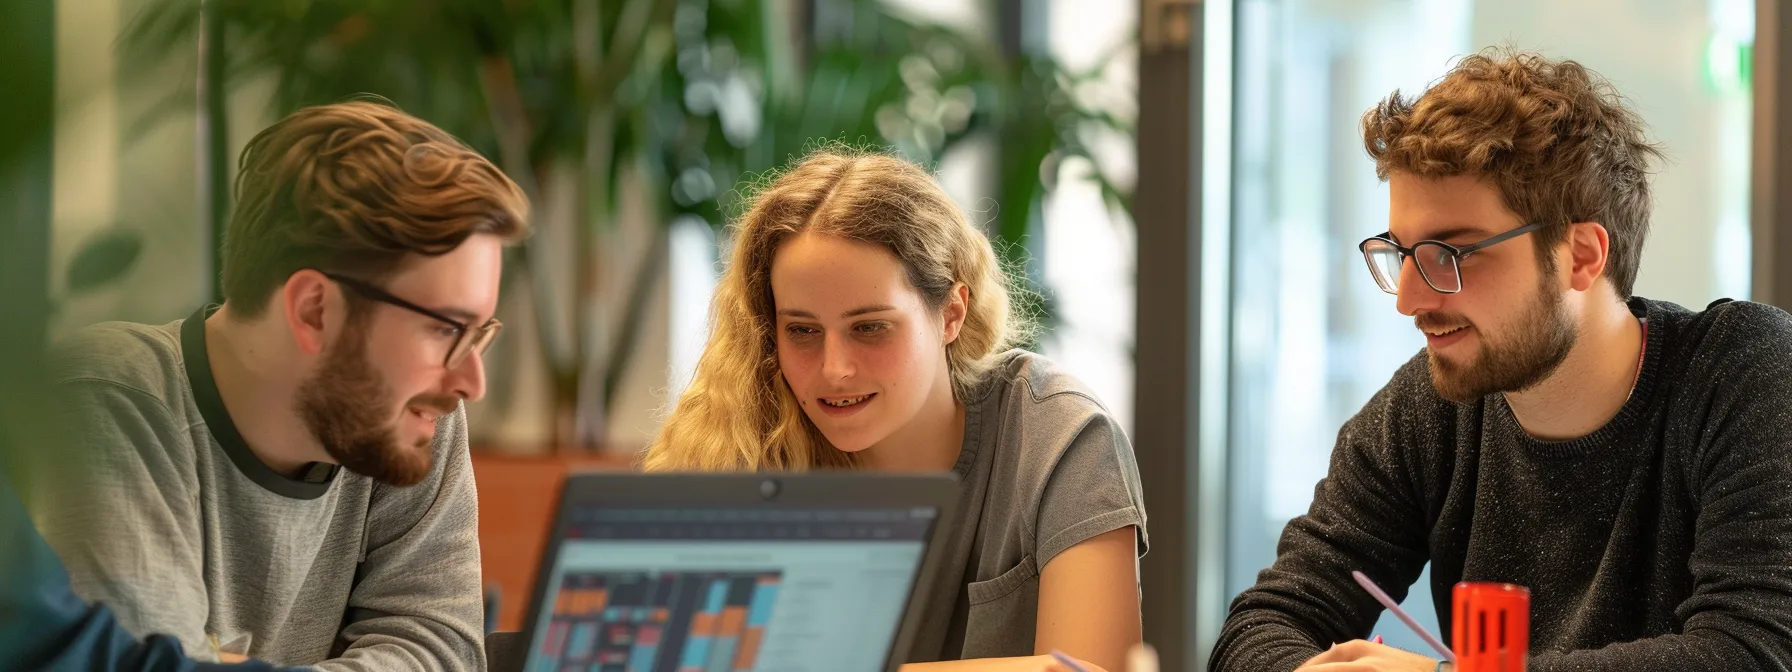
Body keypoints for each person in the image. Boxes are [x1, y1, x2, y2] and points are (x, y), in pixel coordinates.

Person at [1210, 49, 1792, 671]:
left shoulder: (1743, 370)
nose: (1409, 300)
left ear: (1581, 256)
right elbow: (1266, 623)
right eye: (1400, 253)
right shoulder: (1430, 406)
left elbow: (1754, 652)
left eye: (1450, 255)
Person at [12, 101, 530, 670]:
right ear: (314, 310)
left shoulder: (413, 414)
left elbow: (447, 651)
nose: (470, 381)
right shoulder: (113, 399)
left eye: (479, 334)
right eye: (445, 329)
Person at [642, 149, 1148, 672]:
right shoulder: (744, 449)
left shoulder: (1061, 440)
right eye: (803, 330)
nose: (834, 369)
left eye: (870, 327)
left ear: (951, 312)